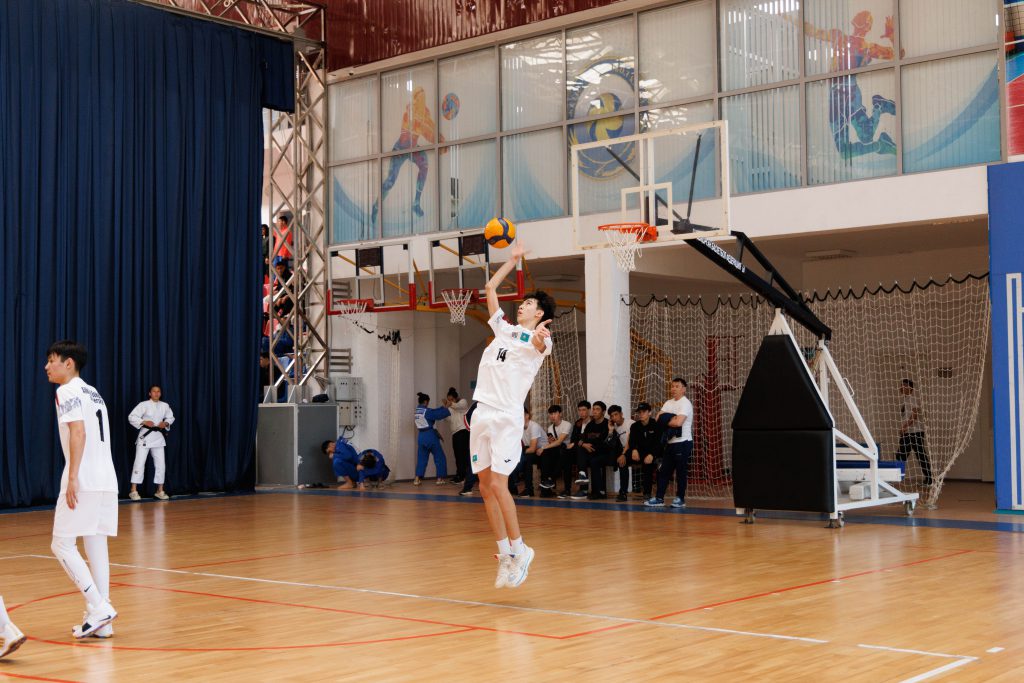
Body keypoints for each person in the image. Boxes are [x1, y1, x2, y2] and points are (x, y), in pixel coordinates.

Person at [468, 241, 553, 588]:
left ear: (540, 314)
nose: (522, 305)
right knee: (484, 486)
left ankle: (521, 549)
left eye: (529, 304)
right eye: (523, 302)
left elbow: (539, 345)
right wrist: (512, 260)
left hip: (505, 417)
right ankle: (505, 555)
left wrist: (540, 336)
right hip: (482, 413)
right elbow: (489, 289)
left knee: (499, 484)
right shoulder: (503, 330)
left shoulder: (539, 340)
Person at [44, 340, 119, 639]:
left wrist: (73, 476)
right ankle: (104, 620)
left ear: (69, 363)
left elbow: (79, 431)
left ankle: (98, 607)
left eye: (52, 360)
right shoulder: (94, 392)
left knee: (61, 544)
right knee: (96, 545)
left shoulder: (67, 390)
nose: (47, 367)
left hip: (84, 478)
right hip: (107, 480)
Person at [646, 378, 694, 509]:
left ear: (683, 389)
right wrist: (671, 418)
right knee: (664, 471)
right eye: (672, 386)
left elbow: (678, 422)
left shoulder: (685, 403)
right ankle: (659, 498)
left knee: (680, 472)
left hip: (683, 442)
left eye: (677, 386)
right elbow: (658, 419)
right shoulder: (668, 402)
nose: (673, 388)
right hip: (670, 442)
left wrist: (666, 419)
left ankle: (680, 499)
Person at [127, 385, 175, 501]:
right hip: (145, 437)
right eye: (154, 391)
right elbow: (131, 417)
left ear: (160, 393)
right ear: (150, 393)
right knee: (139, 463)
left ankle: (160, 491)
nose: (156, 393)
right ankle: (133, 490)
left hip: (158, 438)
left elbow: (171, 417)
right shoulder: (144, 404)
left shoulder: (165, 405)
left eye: (158, 391)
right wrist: (143, 421)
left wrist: (166, 423)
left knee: (160, 465)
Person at [896, 378, 933, 488]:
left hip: (915, 433)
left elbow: (914, 416)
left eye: (904, 385)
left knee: (920, 456)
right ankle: (896, 478)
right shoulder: (905, 399)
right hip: (908, 433)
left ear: (910, 388)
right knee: (900, 455)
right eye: (901, 385)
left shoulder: (912, 399)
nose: (901, 387)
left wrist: (904, 427)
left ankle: (929, 480)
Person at [625, 402, 662, 501]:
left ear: (649, 412)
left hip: (652, 453)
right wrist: (634, 450)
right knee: (623, 459)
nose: (641, 414)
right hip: (639, 452)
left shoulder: (656, 425)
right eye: (639, 412)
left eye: (644, 412)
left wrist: (652, 455)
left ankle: (647, 493)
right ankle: (623, 492)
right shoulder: (635, 426)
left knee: (648, 464)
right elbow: (632, 441)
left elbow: (659, 444)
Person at [414, 392, 450, 486]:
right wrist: (446, 407)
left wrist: (442, 407)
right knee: (439, 457)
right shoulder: (427, 411)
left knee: (421, 459)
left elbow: (433, 411)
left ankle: (417, 479)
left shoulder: (417, 411)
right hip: (430, 436)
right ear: (426, 402)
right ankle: (439, 479)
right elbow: (437, 414)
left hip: (421, 437)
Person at [580, 401, 612, 499]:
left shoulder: (607, 424)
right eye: (593, 409)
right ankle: (583, 477)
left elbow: (607, 443)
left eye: (597, 409)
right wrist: (584, 444)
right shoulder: (590, 425)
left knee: (594, 460)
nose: (594, 411)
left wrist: (590, 447)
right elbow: (582, 439)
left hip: (604, 453)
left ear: (603, 412)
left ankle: (599, 491)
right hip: (591, 451)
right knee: (579, 450)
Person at [539, 404, 572, 498]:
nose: (552, 416)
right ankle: (546, 487)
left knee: (561, 456)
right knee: (545, 455)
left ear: (560, 414)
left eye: (554, 413)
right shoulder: (550, 428)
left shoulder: (567, 424)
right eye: (550, 414)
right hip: (557, 450)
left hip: (568, 451)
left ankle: (552, 480)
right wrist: (549, 443)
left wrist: (543, 447)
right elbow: (554, 443)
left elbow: (559, 442)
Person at [515, 407, 547, 498]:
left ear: (527, 416)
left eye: (521, 415)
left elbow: (532, 448)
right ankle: (522, 487)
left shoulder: (534, 426)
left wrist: (520, 453)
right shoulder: (519, 428)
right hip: (532, 450)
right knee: (518, 458)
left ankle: (529, 489)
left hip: (544, 451)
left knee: (526, 458)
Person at [566, 400, 592, 500]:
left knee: (580, 450)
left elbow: (591, 440)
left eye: (584, 410)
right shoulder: (578, 423)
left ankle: (583, 490)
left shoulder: (593, 422)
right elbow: (573, 440)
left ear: (589, 410)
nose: (581, 412)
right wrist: (579, 443)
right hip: (579, 450)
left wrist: (579, 443)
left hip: (590, 450)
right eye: (579, 410)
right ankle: (567, 489)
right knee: (565, 454)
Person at [608, 405, 633, 502]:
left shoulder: (630, 423)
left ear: (621, 414)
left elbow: (630, 442)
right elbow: (610, 444)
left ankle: (623, 492)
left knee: (622, 461)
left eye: (616, 414)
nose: (614, 417)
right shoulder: (613, 427)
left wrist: (623, 454)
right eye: (612, 416)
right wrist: (610, 430)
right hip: (620, 451)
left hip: (632, 449)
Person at [444, 387, 470, 484]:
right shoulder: (451, 407)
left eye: (451, 399)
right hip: (455, 433)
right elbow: (448, 419)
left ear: (455, 398)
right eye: (448, 400)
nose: (450, 402)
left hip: (463, 432)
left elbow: (458, 406)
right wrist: (444, 411)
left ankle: (463, 477)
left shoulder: (463, 402)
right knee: (458, 456)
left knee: (463, 456)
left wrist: (450, 404)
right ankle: (459, 475)